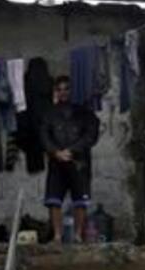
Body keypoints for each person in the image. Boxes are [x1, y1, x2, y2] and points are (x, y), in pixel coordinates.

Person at [40, 75, 100, 243]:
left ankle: (78, 235)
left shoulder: (85, 112)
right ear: (55, 92)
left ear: (73, 90)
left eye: (67, 88)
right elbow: (44, 135)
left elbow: (91, 135)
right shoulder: (49, 113)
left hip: (79, 162)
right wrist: (55, 152)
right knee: (54, 200)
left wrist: (72, 150)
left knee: (80, 200)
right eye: (59, 89)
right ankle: (58, 236)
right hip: (56, 162)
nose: (63, 92)